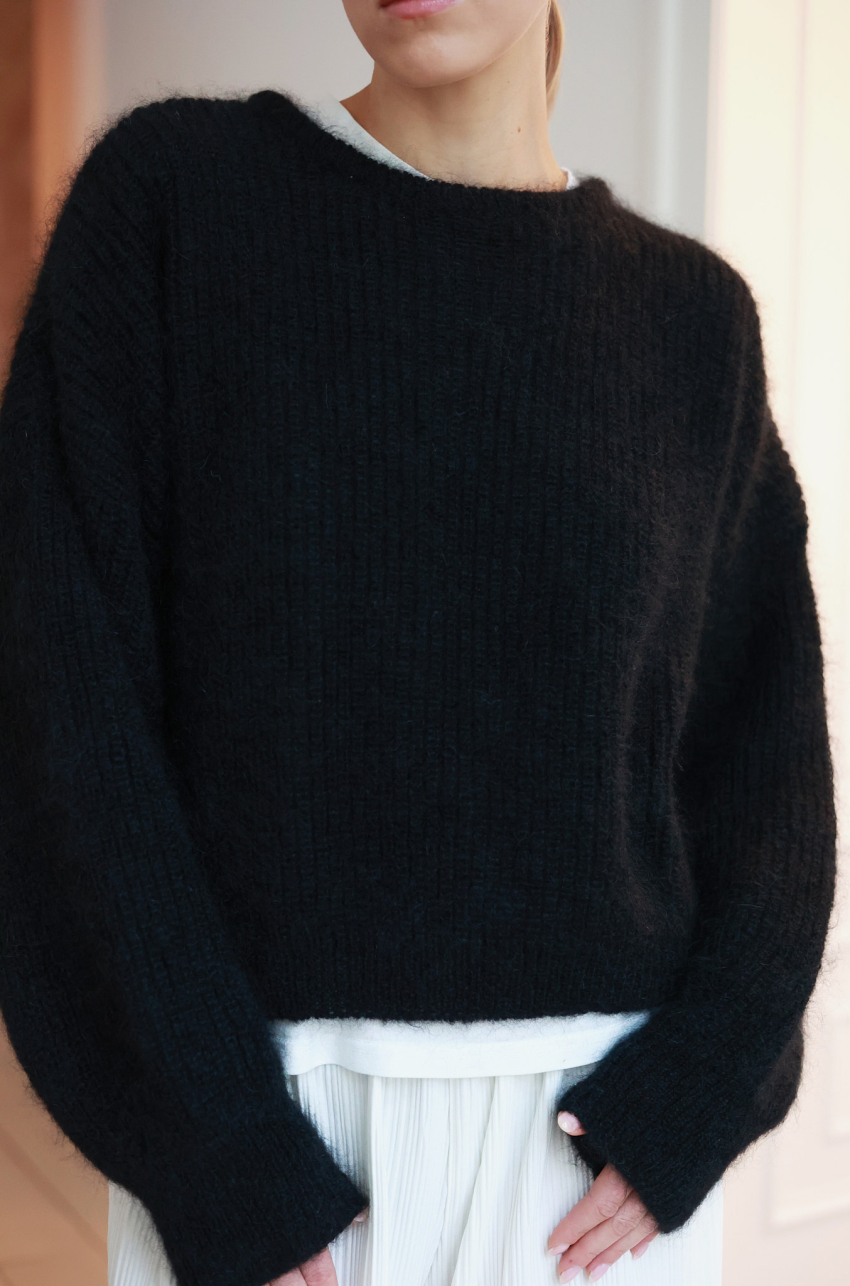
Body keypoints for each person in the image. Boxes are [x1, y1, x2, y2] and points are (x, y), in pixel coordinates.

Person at [0, 1, 836, 1285]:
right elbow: (59, 701)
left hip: (594, 1154)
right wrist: (215, 1141)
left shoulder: (692, 322)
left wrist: (702, 1087)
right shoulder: (172, 207)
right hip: (268, 1132)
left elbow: (765, 777)